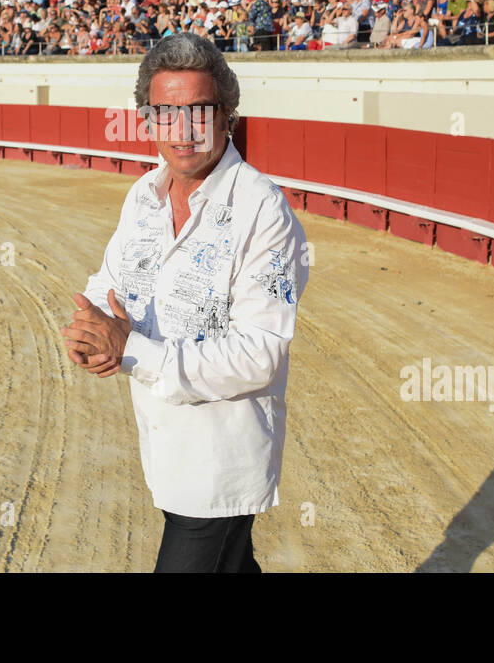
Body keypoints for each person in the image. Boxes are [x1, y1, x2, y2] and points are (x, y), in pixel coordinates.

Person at [61, 33, 309, 573]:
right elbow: (112, 283)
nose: (183, 130)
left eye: (199, 111)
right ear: (147, 122)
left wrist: (130, 349)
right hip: (166, 446)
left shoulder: (263, 211)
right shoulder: (142, 197)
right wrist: (92, 332)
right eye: (166, 113)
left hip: (223, 457)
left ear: (227, 117)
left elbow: (261, 352)